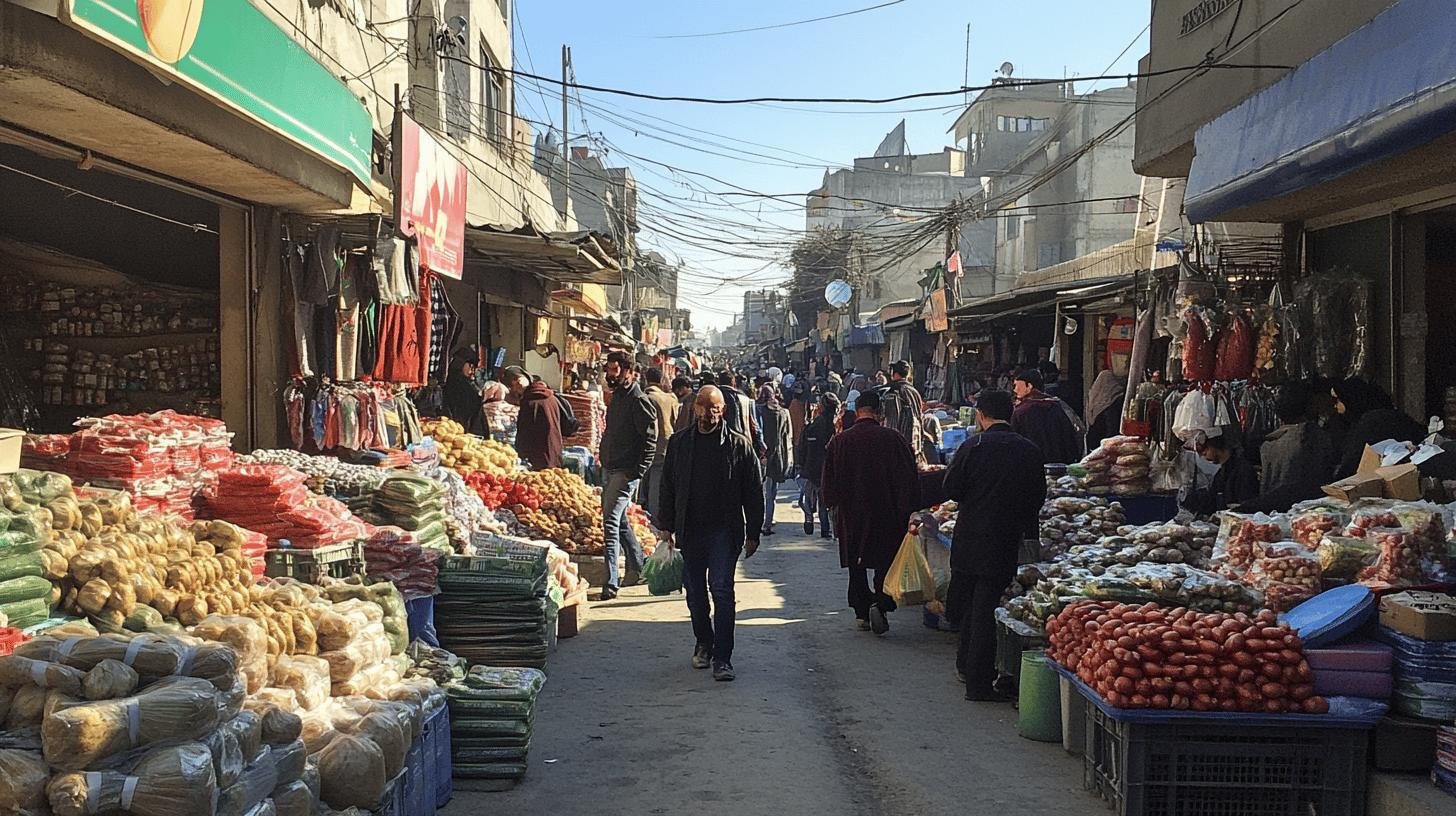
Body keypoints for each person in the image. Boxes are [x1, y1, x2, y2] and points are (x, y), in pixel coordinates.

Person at [941, 389, 1046, 701]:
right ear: (1010, 414)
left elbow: (952, 489)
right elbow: (1036, 499)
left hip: (969, 537)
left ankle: (971, 674)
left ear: (980, 415)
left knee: (974, 606)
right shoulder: (1028, 450)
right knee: (985, 607)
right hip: (1002, 540)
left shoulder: (972, 446)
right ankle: (976, 679)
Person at [657, 386, 765, 682]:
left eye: (714, 408)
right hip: (689, 530)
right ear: (695, 409)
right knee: (695, 594)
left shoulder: (740, 446)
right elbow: (667, 486)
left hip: (724, 532)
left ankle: (723, 657)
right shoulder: (680, 444)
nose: (709, 413)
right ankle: (704, 641)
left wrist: (754, 532)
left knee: (722, 590)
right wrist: (665, 524)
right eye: (703, 407)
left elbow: (754, 492)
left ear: (723, 411)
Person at [821, 389, 919, 635]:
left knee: (857, 564)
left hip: (852, 514)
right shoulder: (894, 439)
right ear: (880, 412)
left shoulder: (840, 441)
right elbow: (909, 478)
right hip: (887, 513)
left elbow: (828, 484)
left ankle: (861, 612)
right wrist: (909, 509)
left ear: (857, 411)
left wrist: (832, 505)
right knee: (884, 562)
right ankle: (881, 602)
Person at [599, 351, 658, 600]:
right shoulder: (618, 397)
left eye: (614, 370)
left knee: (610, 523)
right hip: (611, 467)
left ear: (628, 371)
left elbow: (650, 440)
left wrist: (639, 471)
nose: (610, 375)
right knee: (620, 522)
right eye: (608, 370)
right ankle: (638, 564)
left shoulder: (638, 399)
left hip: (625, 472)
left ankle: (610, 581)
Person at [1254, 381, 1338, 506]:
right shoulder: (1311, 436)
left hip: (1273, 508)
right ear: (1309, 407)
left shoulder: (1269, 444)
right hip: (1308, 508)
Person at [1331, 377, 1425, 479]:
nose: (1335, 406)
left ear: (1350, 400)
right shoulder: (1395, 415)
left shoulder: (1368, 423)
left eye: (1338, 401)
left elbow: (1351, 461)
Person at [1011, 369, 1083, 465]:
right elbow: (1071, 437)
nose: (1014, 390)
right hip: (1060, 464)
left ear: (1029, 386)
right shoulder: (1058, 406)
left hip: (1030, 464)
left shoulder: (1021, 411)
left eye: (1016, 385)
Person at [795, 392, 839, 538]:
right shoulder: (836, 425)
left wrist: (801, 464)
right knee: (824, 502)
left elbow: (803, 446)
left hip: (812, 467)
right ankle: (826, 529)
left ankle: (809, 518)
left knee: (808, 496)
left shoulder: (815, 425)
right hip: (828, 469)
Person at [1182, 434, 1260, 515]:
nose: (1202, 456)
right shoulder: (1221, 474)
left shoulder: (1243, 470)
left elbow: (1246, 506)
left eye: (1204, 451)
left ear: (1213, 445)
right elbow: (1211, 500)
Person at [503, 366, 563, 471]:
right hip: (554, 450)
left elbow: (525, 432)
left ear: (517, 382)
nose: (513, 391)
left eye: (511, 387)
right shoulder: (550, 397)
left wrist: (520, 454)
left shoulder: (530, 402)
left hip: (538, 458)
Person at [640, 368, 681, 521]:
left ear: (646, 379)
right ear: (661, 380)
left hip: (646, 447)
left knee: (644, 484)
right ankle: (655, 520)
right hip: (665, 447)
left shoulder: (645, 398)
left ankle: (648, 520)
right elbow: (676, 422)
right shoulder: (671, 398)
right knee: (657, 486)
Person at [756, 384, 793, 536]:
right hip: (779, 456)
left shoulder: (759, 411)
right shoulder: (784, 413)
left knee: (764, 491)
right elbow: (788, 436)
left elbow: (757, 434)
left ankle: (765, 523)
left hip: (763, 455)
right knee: (772, 491)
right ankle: (768, 521)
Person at [881, 359, 927, 463]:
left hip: (897, 443)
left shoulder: (892, 391)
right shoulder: (914, 391)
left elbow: (891, 419)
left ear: (894, 373)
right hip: (915, 440)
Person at [443, 346, 484, 434]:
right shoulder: (458, 382)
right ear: (461, 363)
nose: (472, 370)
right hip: (453, 426)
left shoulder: (460, 380)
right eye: (470, 366)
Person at [1083, 370, 1128, 450]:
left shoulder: (1093, 399)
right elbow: (1112, 430)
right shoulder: (1114, 402)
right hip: (1107, 447)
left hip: (1094, 445)